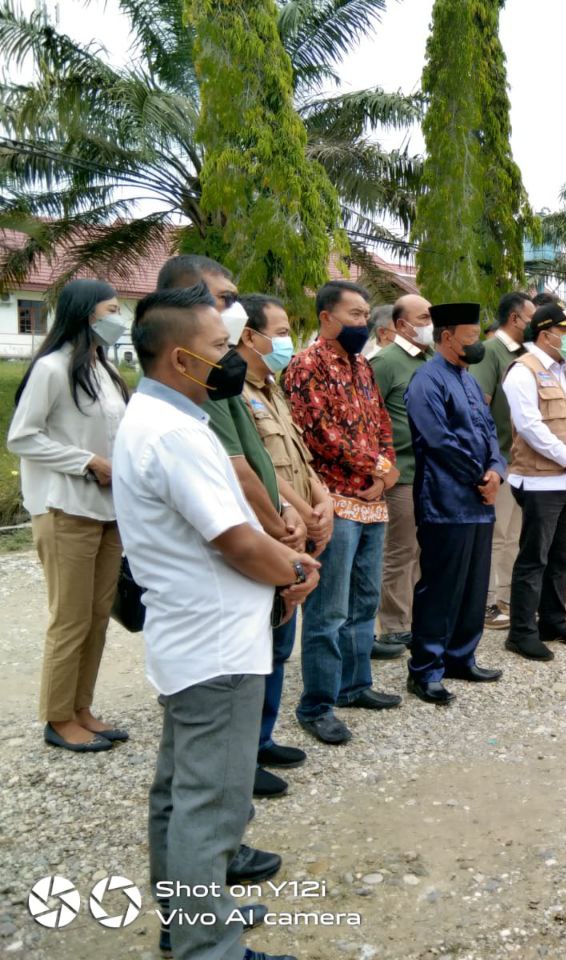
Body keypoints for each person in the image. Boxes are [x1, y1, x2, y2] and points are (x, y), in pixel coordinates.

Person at [115, 285, 318, 960]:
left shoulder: (164, 418)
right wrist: (295, 570)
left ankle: (190, 918)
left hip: (194, 638)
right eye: (220, 348)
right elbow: (234, 539)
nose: (233, 358)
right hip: (215, 645)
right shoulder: (173, 434)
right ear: (180, 358)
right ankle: (209, 948)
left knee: (180, 793)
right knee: (211, 804)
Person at [156, 256, 316, 797]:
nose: (234, 311)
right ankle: (238, 766)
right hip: (229, 576)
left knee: (273, 650)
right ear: (186, 302)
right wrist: (283, 543)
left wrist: (293, 513)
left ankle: (255, 743)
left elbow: (269, 460)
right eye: (224, 300)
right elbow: (235, 473)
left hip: (272, 531)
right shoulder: (182, 402)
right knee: (227, 705)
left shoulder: (217, 384)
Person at [8, 279, 130, 752]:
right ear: (84, 314)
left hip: (108, 511)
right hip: (65, 509)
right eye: (111, 309)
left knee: (99, 615)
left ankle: (82, 708)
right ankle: (58, 719)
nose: (118, 318)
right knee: (71, 619)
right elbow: (22, 436)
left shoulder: (103, 370)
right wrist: (86, 462)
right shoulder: (52, 369)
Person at [283, 280, 403, 745]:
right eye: (355, 314)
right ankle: (317, 704)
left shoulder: (361, 366)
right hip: (334, 501)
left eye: (366, 314)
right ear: (326, 317)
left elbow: (382, 422)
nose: (364, 322)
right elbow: (319, 434)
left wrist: (385, 471)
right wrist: (375, 466)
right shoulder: (305, 366)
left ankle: (356, 685)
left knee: (364, 602)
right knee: (328, 610)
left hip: (373, 502)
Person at [238, 295, 335, 793]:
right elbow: (258, 470)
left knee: (280, 638)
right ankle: (243, 753)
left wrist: (322, 501)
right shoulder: (233, 395)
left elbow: (299, 456)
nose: (285, 341)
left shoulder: (271, 389)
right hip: (270, 528)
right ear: (248, 336)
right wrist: (293, 510)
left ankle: (264, 735)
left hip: (297, 522)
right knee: (257, 644)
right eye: (277, 331)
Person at [403, 302, 505, 703]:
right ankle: (426, 668)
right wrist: (481, 477)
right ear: (447, 338)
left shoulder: (466, 377)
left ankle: (462, 656)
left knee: (473, 585)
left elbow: (489, 432)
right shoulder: (426, 381)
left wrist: (496, 470)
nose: (477, 344)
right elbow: (439, 441)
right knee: (441, 587)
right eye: (470, 337)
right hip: (445, 500)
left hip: (481, 499)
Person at [502, 304, 566, 660]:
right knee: (534, 558)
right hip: (541, 481)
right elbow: (530, 427)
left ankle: (554, 620)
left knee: (562, 556)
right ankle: (522, 630)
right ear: (546, 334)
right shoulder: (522, 372)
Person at [370, 294, 433, 654]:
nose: (429, 324)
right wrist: (384, 469)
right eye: (423, 318)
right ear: (400, 325)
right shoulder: (386, 362)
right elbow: (367, 419)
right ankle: (393, 624)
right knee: (400, 550)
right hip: (402, 474)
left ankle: (413, 617)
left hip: (430, 472)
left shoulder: (429, 360)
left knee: (423, 550)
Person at [472, 291, 535, 630]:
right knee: (496, 536)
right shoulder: (490, 352)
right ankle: (485, 603)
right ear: (514, 319)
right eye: (530, 317)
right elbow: (480, 407)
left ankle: (506, 599)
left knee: (514, 535)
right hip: (498, 459)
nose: (534, 324)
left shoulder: (524, 353)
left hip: (522, 460)